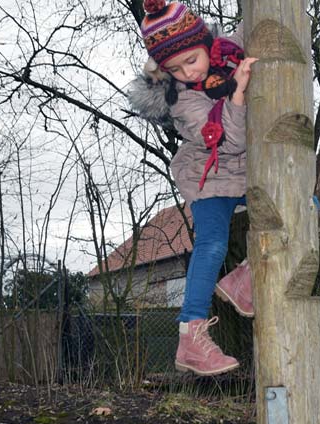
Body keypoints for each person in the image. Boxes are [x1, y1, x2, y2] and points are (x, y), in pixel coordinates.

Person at [131, 0, 259, 376]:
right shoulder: (182, 100)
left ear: (206, 41)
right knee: (213, 243)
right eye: (175, 68)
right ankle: (191, 338)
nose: (187, 72)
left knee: (303, 203)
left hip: (247, 171)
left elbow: (253, 27)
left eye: (192, 60)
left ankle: (244, 280)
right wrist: (238, 94)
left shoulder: (226, 53)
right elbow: (230, 140)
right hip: (209, 175)